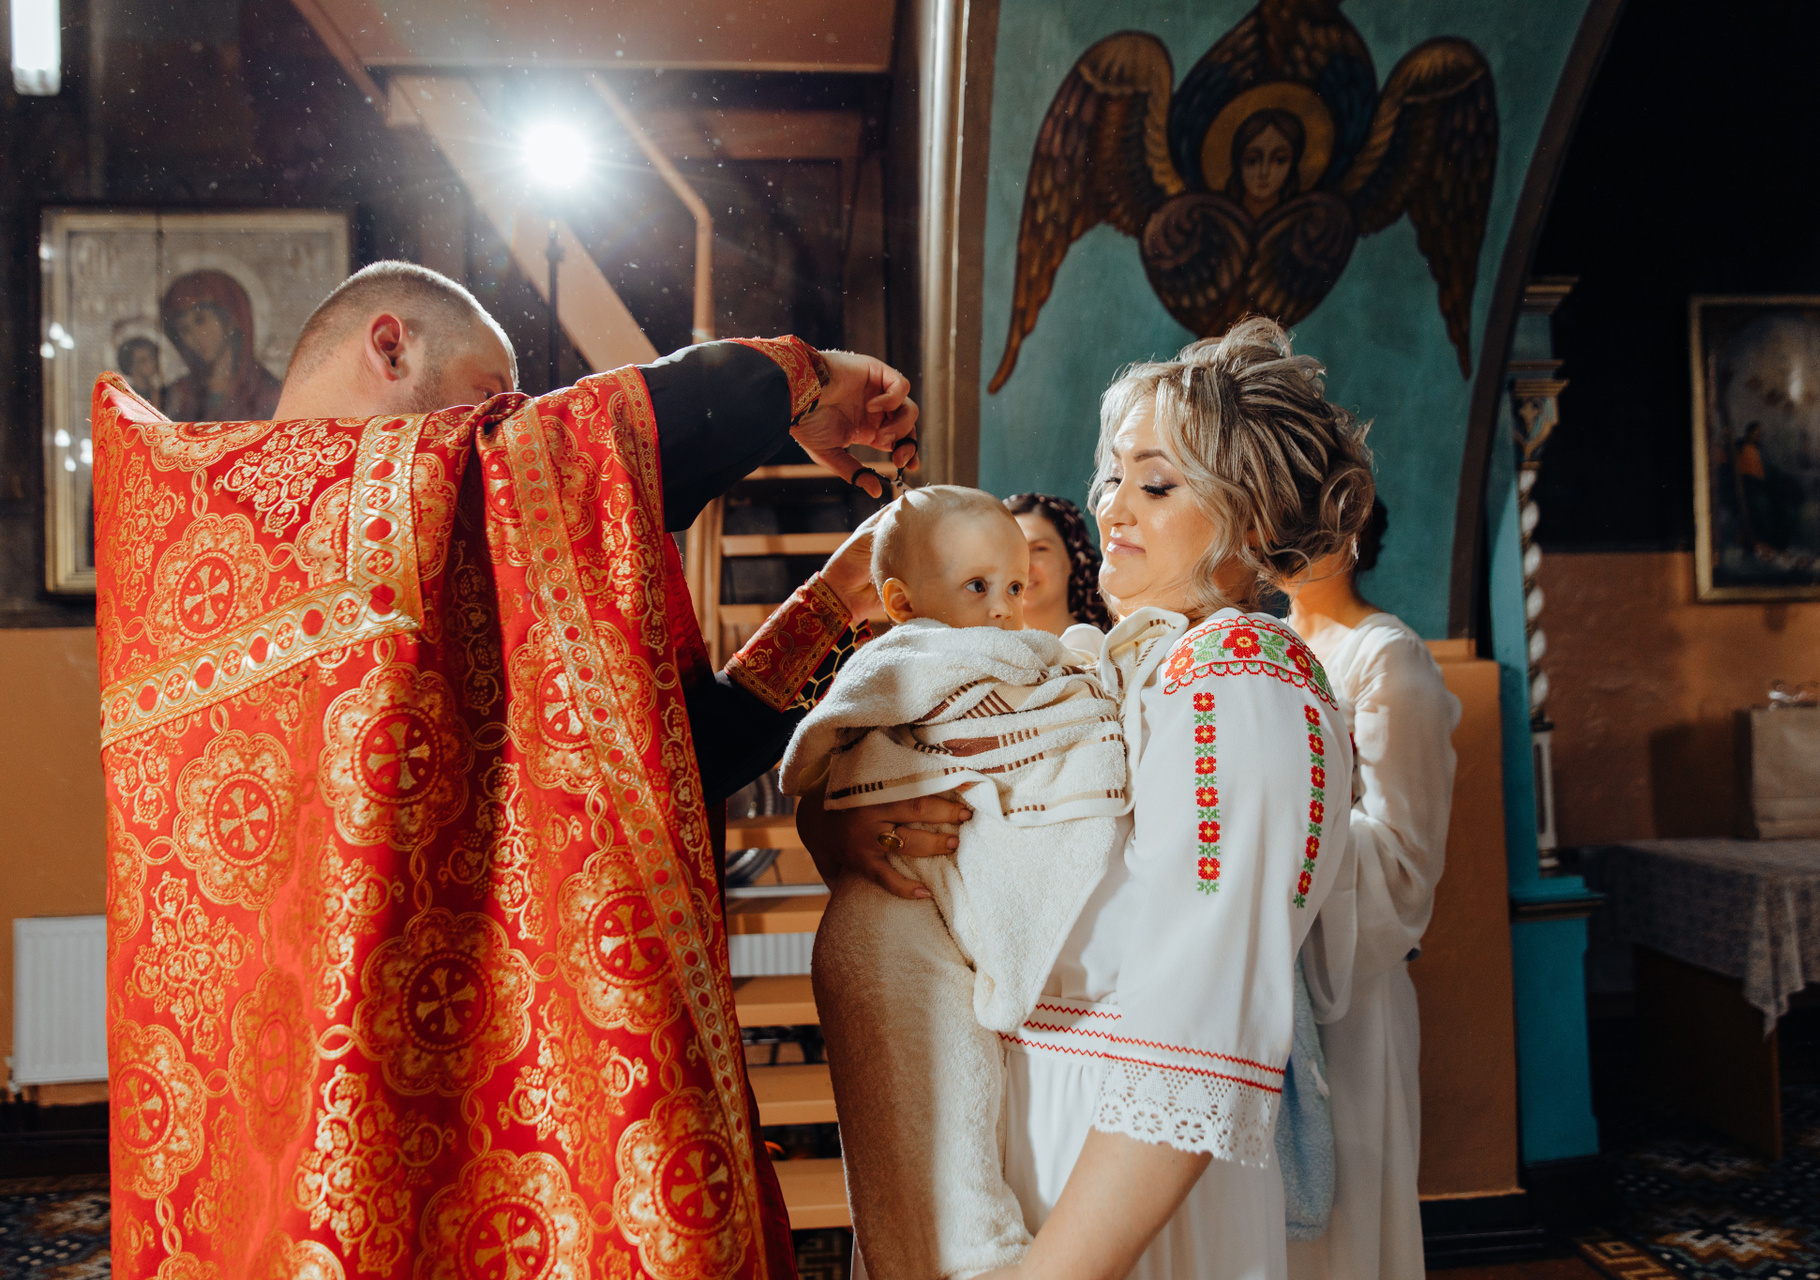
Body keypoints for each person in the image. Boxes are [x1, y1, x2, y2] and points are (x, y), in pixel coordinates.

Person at [93, 259, 924, 1280]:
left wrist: (838, 604)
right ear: (390, 345)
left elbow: (676, 757)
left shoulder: (392, 569)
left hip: (423, 1102)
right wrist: (807, 377)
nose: (503, 427)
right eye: (490, 399)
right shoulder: (258, 498)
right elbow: (581, 449)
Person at [938, 315, 1365, 1280]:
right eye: (1112, 476)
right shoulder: (1139, 669)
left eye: (1157, 484)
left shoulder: (1240, 673)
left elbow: (1198, 1015)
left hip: (1125, 1166)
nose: (1113, 507)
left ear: (1252, 519)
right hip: (1047, 1118)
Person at [785, 487, 1127, 1279]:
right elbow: (825, 764)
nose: (1003, 608)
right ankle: (970, 1252)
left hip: (1027, 965)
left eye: (1014, 585)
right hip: (905, 907)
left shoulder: (1064, 665)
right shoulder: (906, 664)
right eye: (978, 587)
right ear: (904, 603)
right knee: (928, 1101)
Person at [1278, 496, 1461, 1280]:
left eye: (1303, 523)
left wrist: (1280, 836)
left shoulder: (1387, 656)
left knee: (1352, 1212)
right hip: (1270, 967)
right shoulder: (1270, 645)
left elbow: (1406, 859)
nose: (1279, 541)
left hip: (1354, 972)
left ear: (1349, 534)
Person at [159, 268, 284, 420]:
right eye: (184, 329)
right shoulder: (180, 394)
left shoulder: (266, 392)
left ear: (230, 320)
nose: (194, 336)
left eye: (200, 320)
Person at [1006, 492, 1112, 635]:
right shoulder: (982, 646)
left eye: (1039, 549)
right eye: (1010, 550)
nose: (1023, 566)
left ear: (1074, 560)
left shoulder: (1105, 646)